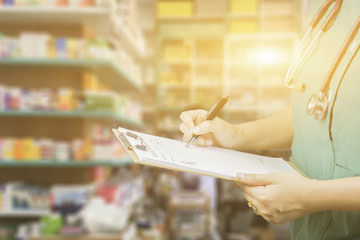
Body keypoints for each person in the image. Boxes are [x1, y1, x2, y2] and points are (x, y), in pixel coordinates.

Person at [179, 0, 360, 239]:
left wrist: (313, 196)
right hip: (310, 230)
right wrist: (236, 135)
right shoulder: (325, 8)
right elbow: (312, 114)